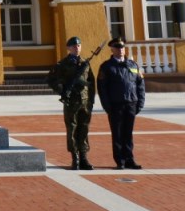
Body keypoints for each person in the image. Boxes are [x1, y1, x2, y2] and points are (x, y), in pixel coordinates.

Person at [46, 36, 95, 170]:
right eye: (74, 46)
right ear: (68, 48)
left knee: (84, 128)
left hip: (84, 102)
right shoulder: (62, 64)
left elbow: (91, 83)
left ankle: (84, 158)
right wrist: (62, 90)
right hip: (71, 102)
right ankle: (75, 158)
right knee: (72, 129)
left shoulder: (85, 63)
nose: (76, 48)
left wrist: (91, 101)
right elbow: (51, 79)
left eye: (78, 46)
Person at [97, 38, 146, 170]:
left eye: (122, 48)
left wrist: (140, 103)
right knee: (117, 134)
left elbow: (140, 85)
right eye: (118, 48)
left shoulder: (133, 65)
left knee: (128, 134)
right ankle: (120, 161)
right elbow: (102, 89)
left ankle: (129, 159)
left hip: (131, 103)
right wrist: (107, 106)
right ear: (112, 49)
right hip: (115, 105)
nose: (120, 50)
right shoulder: (106, 67)